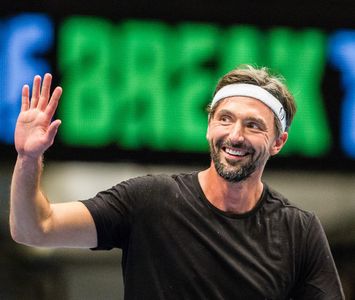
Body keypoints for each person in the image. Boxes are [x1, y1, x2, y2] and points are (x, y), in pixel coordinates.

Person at [9, 65, 345, 299]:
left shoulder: (298, 231)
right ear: (209, 126)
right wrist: (27, 159)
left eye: (253, 126)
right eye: (224, 119)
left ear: (278, 142)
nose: (235, 135)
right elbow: (35, 228)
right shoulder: (150, 200)